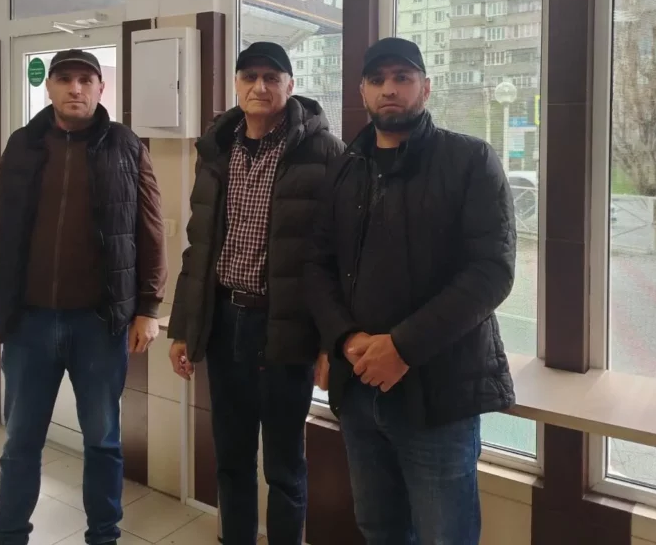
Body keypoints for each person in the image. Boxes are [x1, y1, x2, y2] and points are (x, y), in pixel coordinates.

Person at [306, 37, 517, 545]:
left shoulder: (469, 160)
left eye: (402, 78)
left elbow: (491, 271)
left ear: (426, 87)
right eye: (377, 80)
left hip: (437, 396)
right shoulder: (345, 168)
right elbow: (316, 265)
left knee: (446, 536)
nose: (389, 90)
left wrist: (402, 347)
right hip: (359, 390)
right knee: (379, 529)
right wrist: (344, 338)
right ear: (362, 91)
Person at [0, 49, 167, 545]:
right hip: (28, 322)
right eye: (64, 79)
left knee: (102, 440)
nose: (75, 88)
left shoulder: (125, 145)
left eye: (85, 79)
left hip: (99, 324)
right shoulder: (23, 144)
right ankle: (9, 535)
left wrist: (148, 307)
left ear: (101, 88)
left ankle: (104, 536)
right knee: (20, 441)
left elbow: (150, 230)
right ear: (50, 87)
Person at [167, 41, 344, 545]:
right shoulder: (216, 150)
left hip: (285, 328)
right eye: (250, 76)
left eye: (272, 77)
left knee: (284, 465)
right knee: (231, 458)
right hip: (225, 323)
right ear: (236, 85)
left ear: (290, 85)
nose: (260, 87)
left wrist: (330, 342)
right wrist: (183, 329)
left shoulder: (324, 152)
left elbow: (339, 257)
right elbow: (198, 248)